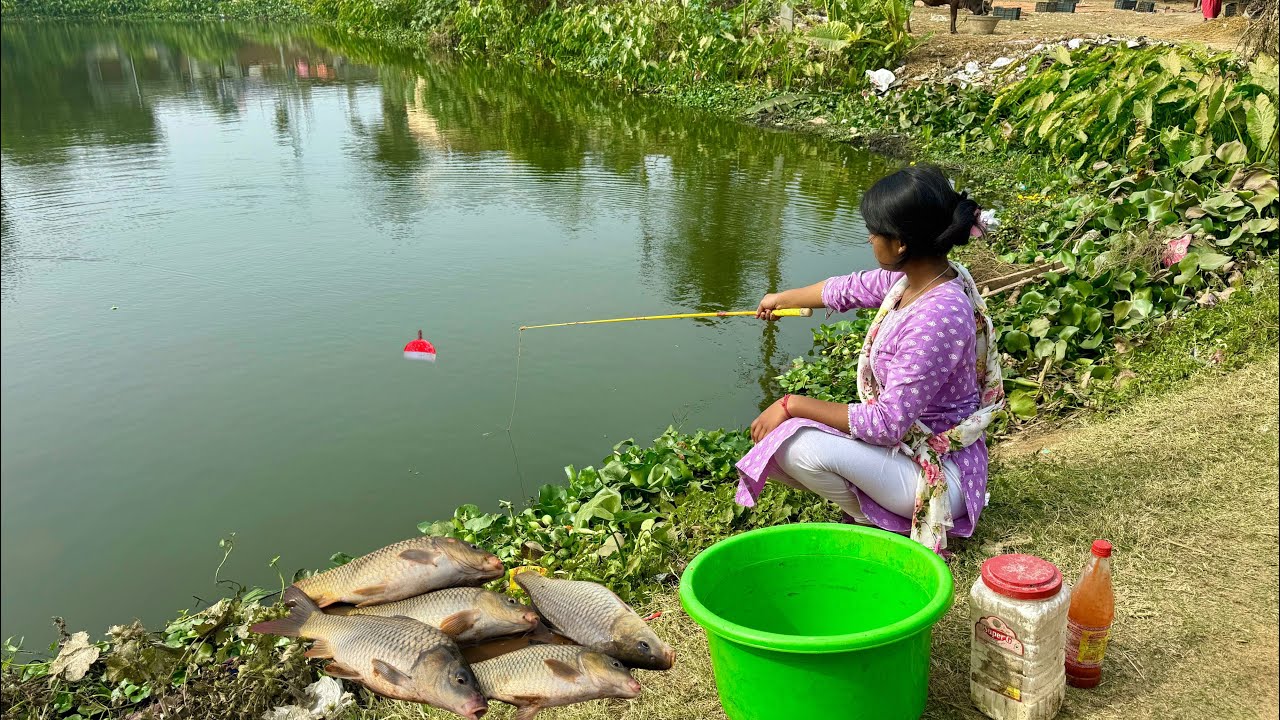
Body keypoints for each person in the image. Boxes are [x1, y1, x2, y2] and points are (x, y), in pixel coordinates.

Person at [734, 165, 1004, 553]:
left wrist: (791, 405)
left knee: (795, 447)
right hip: (911, 445)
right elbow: (848, 288)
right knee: (791, 439)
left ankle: (880, 523)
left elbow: (887, 425)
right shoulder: (918, 278)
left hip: (942, 471)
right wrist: (781, 299)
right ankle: (881, 512)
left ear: (901, 245)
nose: (869, 237)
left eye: (876, 231)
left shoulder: (938, 315)